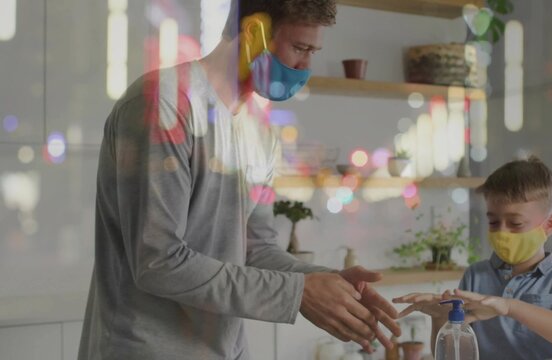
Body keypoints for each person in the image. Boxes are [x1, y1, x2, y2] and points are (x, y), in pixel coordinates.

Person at [78, 1, 400, 359]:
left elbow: (255, 248)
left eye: (313, 51)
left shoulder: (259, 130)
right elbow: (157, 262)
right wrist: (298, 292)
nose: (306, 66)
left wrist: (326, 283)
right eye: (300, 48)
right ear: (254, 33)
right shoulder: (165, 105)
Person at [393, 156, 552, 359]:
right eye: (493, 223)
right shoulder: (476, 275)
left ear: (549, 225)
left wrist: (509, 307)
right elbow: (454, 355)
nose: (502, 232)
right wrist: (441, 319)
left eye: (515, 223)